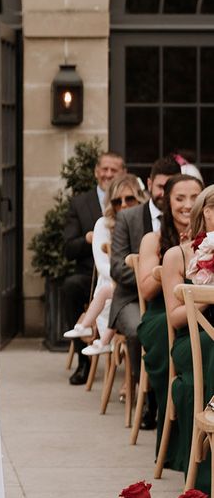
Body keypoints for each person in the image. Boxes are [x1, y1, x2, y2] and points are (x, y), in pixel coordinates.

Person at [137, 174, 204, 448]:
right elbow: (145, 290)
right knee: (173, 335)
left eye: (194, 198)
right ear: (168, 202)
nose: (187, 205)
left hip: (200, 314)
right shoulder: (154, 239)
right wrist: (174, 258)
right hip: (161, 314)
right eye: (180, 198)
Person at [160, 182, 214, 490]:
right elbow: (176, 317)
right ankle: (205, 484)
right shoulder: (177, 256)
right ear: (206, 214)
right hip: (189, 341)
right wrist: (206, 293)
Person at [109, 156, 183, 368]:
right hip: (131, 297)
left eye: (170, 187)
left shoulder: (186, 217)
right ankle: (142, 387)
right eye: (161, 186)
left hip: (174, 298)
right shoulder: (128, 218)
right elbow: (117, 267)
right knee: (136, 328)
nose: (164, 193)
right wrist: (151, 277)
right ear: (149, 184)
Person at [64, 174, 146, 357]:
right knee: (112, 294)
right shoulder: (103, 224)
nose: (124, 205)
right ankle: (91, 332)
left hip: (139, 284)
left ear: (139, 198)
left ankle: (99, 339)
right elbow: (103, 266)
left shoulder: (146, 223)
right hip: (116, 282)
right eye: (117, 201)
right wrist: (132, 278)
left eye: (129, 199)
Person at [62, 151, 125, 384]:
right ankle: (83, 361)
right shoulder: (79, 203)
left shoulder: (129, 199)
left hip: (119, 271)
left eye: (114, 170)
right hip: (89, 272)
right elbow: (68, 248)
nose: (108, 174)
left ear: (123, 173)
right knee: (70, 287)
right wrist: (88, 239)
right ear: (96, 171)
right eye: (104, 169)